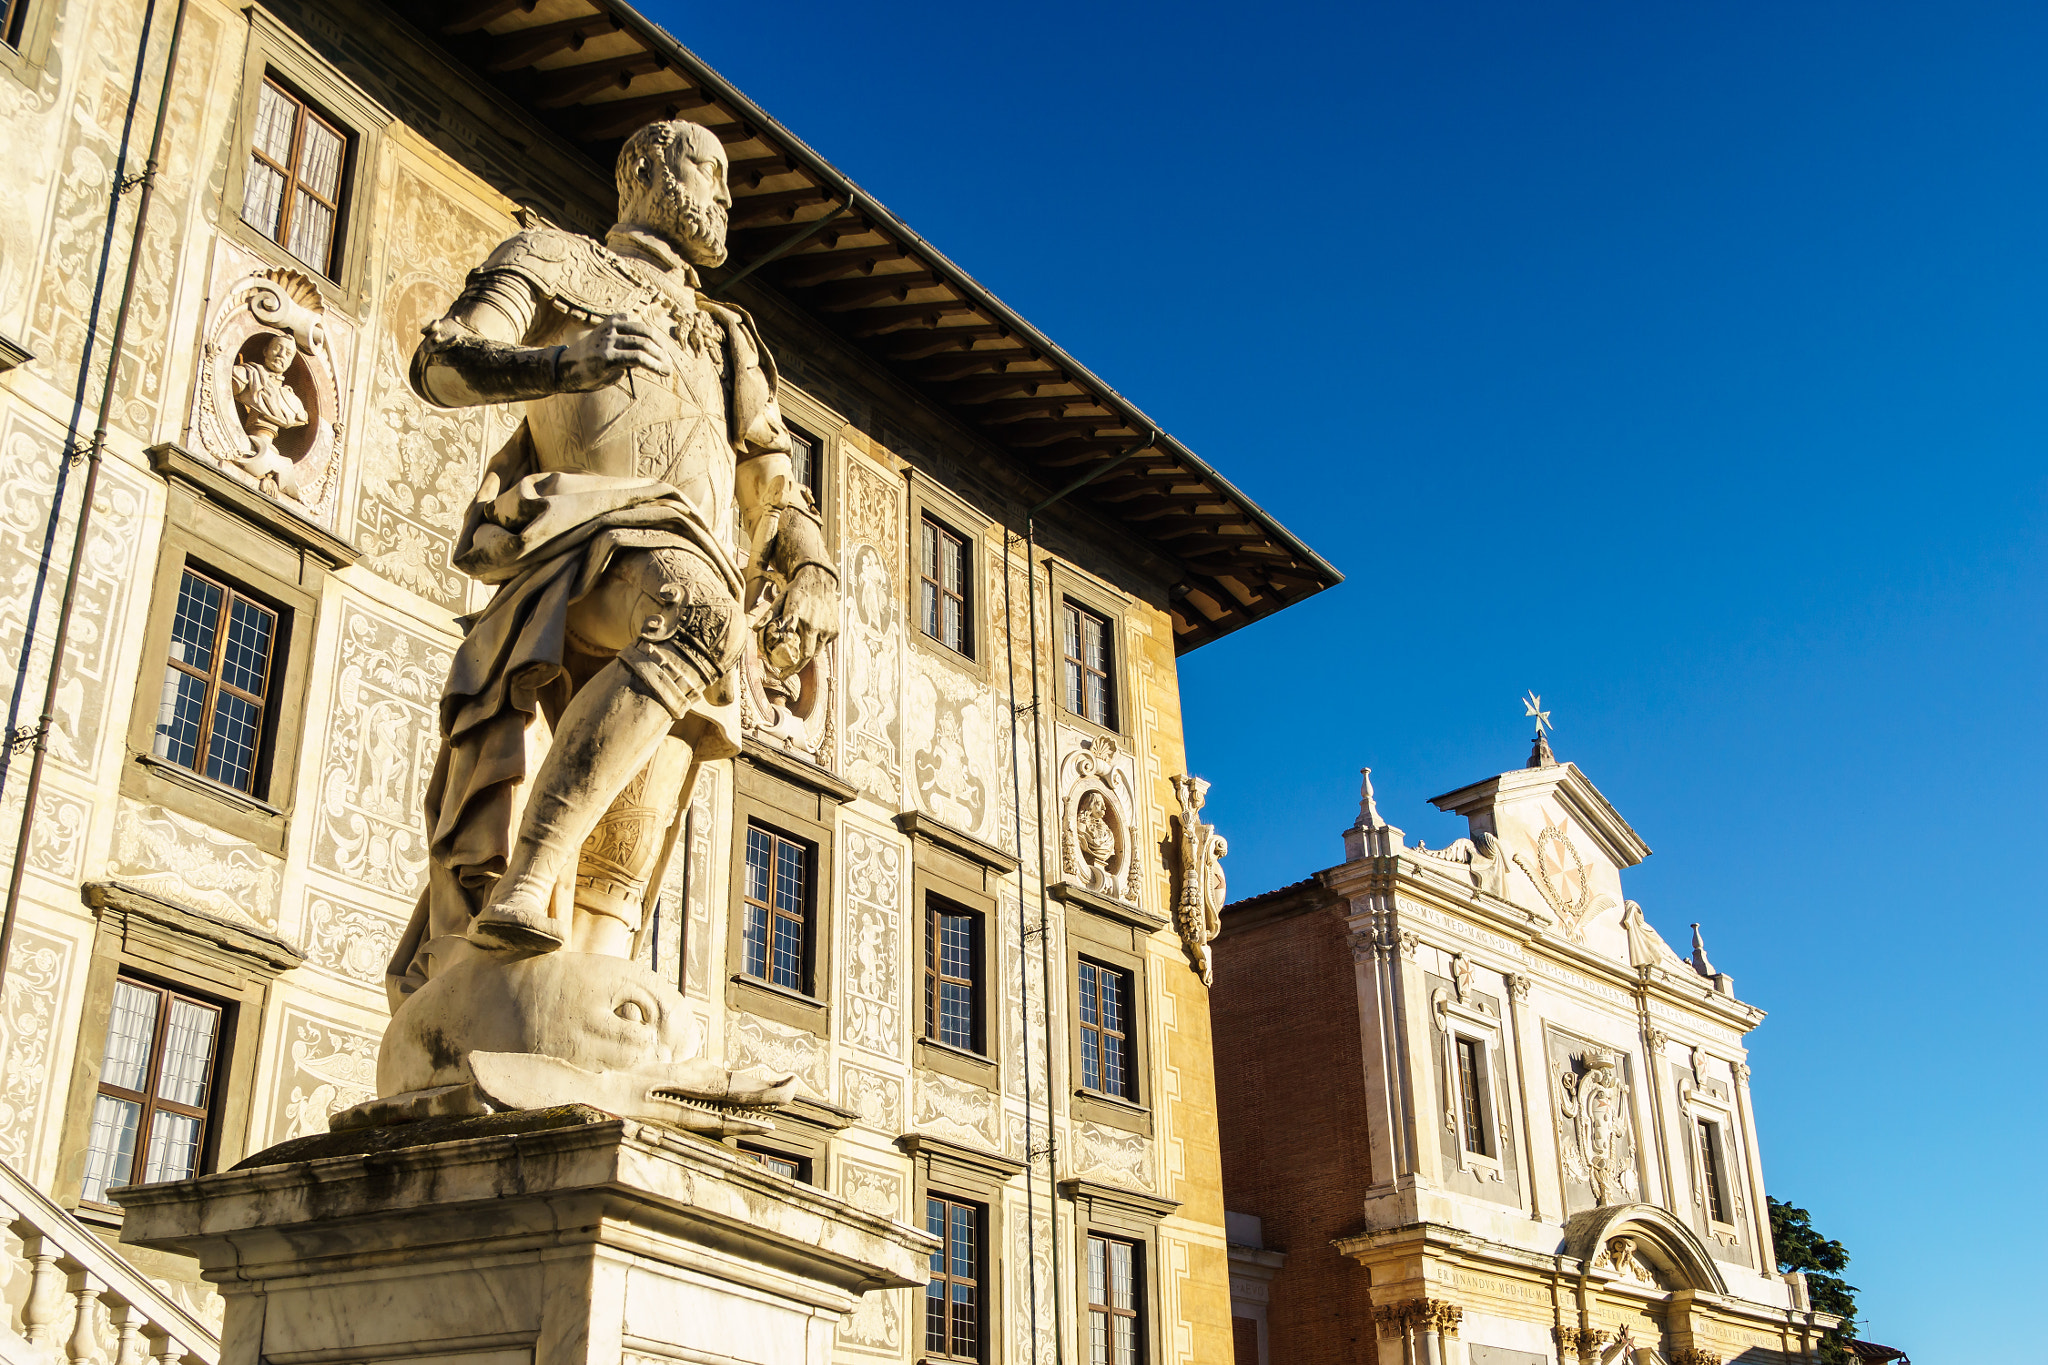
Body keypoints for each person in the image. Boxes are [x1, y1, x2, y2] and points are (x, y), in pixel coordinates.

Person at [388, 119, 837, 995]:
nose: (727, 199)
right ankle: (523, 881)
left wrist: (814, 564)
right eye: (711, 174)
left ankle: (559, 1014)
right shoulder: (551, 257)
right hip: (587, 541)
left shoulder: (728, 337)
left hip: (690, 563)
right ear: (644, 172)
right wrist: (561, 363)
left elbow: (778, 487)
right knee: (701, 616)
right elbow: (439, 362)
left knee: (610, 897)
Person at [230, 330, 308, 497]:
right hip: (247, 444)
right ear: (265, 351)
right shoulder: (246, 374)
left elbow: (300, 418)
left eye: (287, 353)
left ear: (291, 362)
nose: (281, 355)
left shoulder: (293, 402)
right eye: (277, 348)